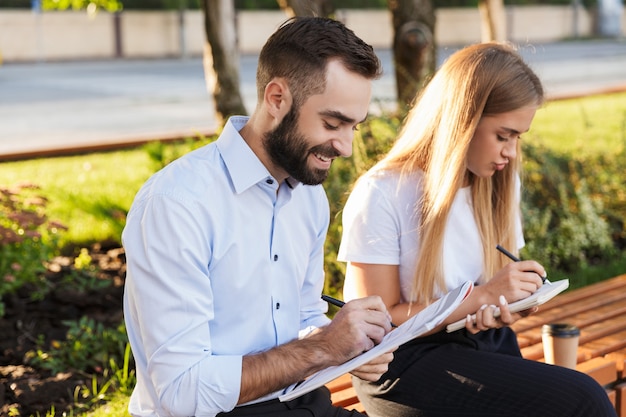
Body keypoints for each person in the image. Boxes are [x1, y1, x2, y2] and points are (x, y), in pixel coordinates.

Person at [122, 16, 395, 417]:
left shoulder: (308, 198)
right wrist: (323, 348)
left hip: (300, 400)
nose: (346, 147)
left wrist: (349, 347)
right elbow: (181, 393)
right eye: (332, 123)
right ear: (277, 98)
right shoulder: (177, 204)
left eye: (353, 126)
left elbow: (301, 317)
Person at [338, 42, 617, 417]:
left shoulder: (497, 187)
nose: (512, 152)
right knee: (582, 399)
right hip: (403, 363)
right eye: (503, 136)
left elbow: (489, 296)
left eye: (518, 137)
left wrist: (510, 305)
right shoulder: (384, 192)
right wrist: (480, 298)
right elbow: (376, 327)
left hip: (480, 342)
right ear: (463, 122)